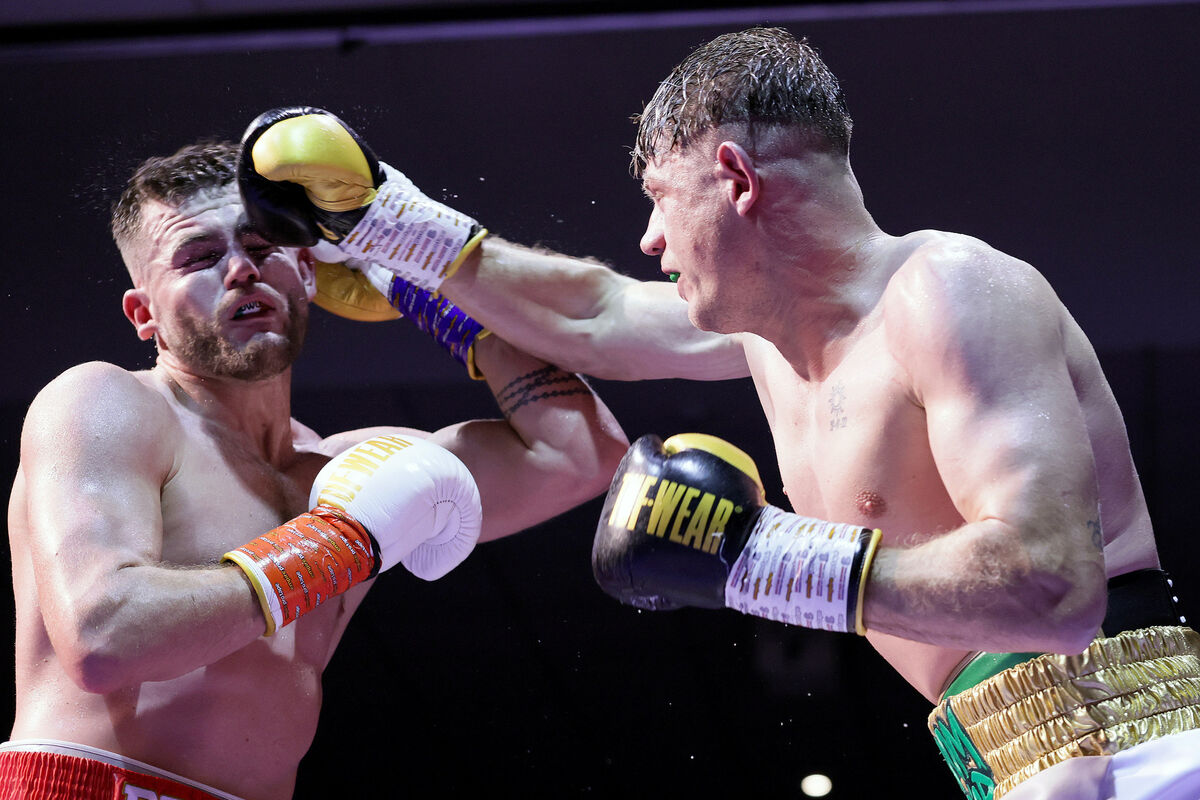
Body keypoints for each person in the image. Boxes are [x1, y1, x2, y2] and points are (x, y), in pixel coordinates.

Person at [236, 27, 1200, 800]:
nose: (650, 237)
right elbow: (596, 313)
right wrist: (394, 228)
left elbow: (1054, 590)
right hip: (1013, 756)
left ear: (736, 180)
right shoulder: (770, 340)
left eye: (659, 197)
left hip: (1137, 742)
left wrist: (761, 560)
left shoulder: (949, 290)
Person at [2, 139, 629, 800]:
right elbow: (105, 637)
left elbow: (581, 455)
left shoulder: (353, 467)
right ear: (144, 314)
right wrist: (338, 544)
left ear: (308, 274)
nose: (242, 269)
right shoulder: (109, 404)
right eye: (200, 257)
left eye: (263, 247)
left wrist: (418, 281)